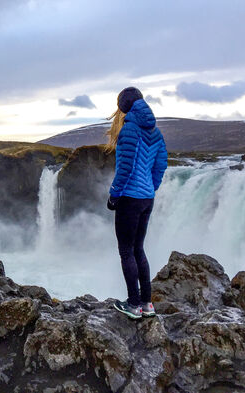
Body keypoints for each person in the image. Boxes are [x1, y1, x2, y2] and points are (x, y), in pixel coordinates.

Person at [105, 87, 167, 320]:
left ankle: (133, 305)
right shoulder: (156, 132)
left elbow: (125, 168)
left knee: (126, 251)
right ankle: (147, 304)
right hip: (146, 198)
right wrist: (150, 188)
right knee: (139, 249)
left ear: (123, 106)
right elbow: (160, 165)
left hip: (129, 198)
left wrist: (114, 195)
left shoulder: (129, 130)